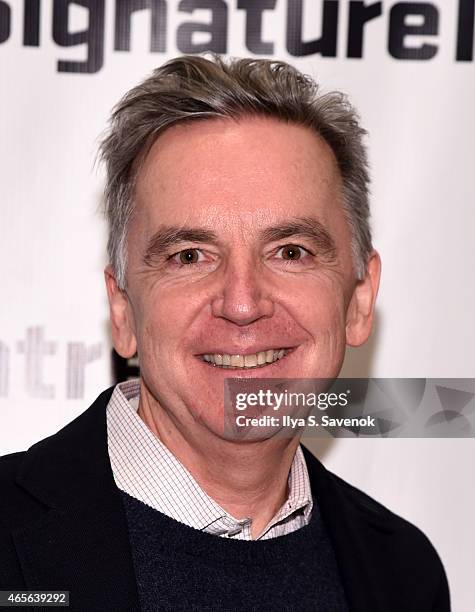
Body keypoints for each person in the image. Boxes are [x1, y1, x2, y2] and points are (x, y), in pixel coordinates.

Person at [0, 55, 450, 611]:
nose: (241, 303)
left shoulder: (403, 573)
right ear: (122, 311)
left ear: (359, 300)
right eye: (190, 255)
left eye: (291, 251)